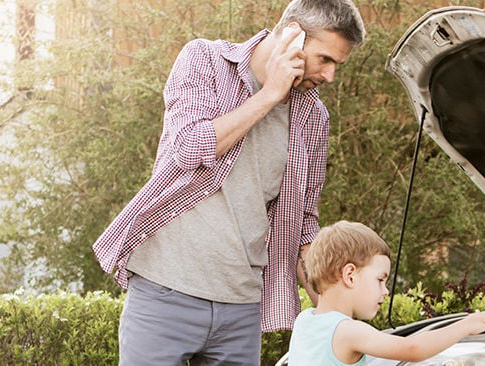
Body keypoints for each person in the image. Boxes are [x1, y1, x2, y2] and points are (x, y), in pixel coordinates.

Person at [89, 0, 365, 364]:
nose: (329, 76)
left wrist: (334, 315)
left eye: (336, 66)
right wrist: (270, 95)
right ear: (293, 35)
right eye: (325, 59)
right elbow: (188, 148)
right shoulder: (204, 60)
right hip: (164, 293)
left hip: (241, 308)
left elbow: (303, 226)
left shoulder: (313, 116)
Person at [288, 221, 485, 365]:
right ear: (350, 275)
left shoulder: (304, 321)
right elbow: (413, 349)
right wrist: (468, 324)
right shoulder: (347, 331)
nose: (385, 292)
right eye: (380, 280)